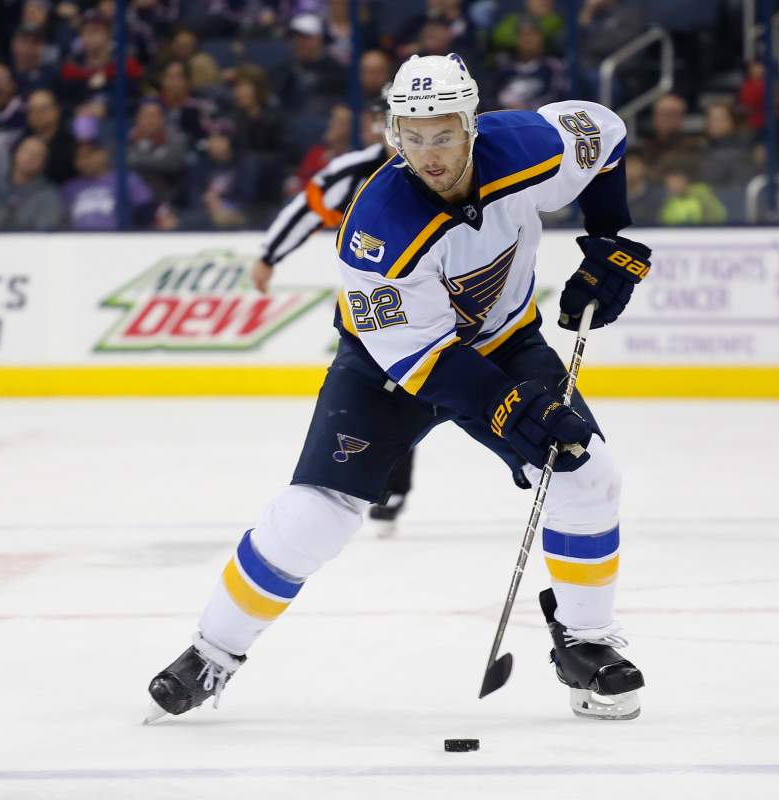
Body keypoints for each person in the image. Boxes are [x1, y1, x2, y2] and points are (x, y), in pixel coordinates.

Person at [146, 53, 648, 724]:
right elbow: (418, 358)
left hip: (506, 340)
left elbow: (607, 134)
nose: (428, 153)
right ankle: (213, 650)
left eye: (442, 133)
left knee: (587, 470)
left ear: (472, 125)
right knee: (312, 516)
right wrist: (507, 407)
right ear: (393, 133)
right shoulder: (378, 230)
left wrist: (608, 237)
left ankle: (585, 642)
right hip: (386, 368)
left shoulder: (529, 144)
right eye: (411, 135)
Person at [252, 94, 413, 530]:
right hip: (384, 305)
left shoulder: (449, 165)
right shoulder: (356, 169)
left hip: (452, 295)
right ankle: (388, 483)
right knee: (395, 386)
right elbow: (308, 208)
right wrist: (270, 254)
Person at [0, 135, 63, 230]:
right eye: (26, 151)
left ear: (44, 163)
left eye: (37, 155)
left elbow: (44, 235)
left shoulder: (49, 196)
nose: (30, 158)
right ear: (16, 153)